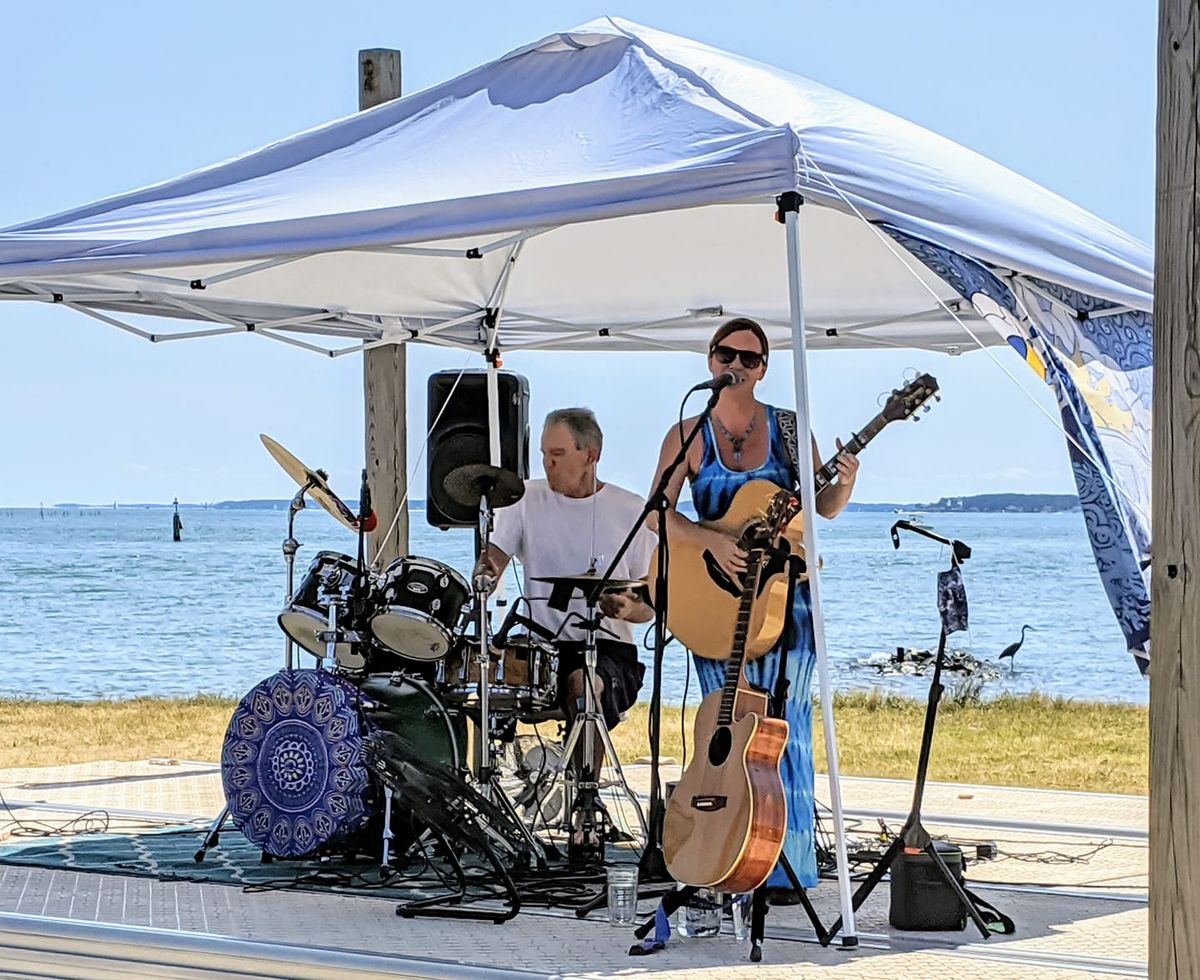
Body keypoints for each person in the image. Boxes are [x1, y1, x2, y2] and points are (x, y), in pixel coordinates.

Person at [648, 317, 859, 905]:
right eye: (724, 353)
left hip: (784, 601)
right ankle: (723, 853)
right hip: (713, 601)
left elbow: (822, 511)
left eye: (747, 356)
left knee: (783, 729)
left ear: (763, 368)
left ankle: (786, 865)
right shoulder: (687, 433)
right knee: (726, 725)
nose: (734, 363)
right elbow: (657, 513)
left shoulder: (790, 430)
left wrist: (843, 484)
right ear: (710, 361)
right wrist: (712, 542)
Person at [474, 408, 655, 786]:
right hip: (540, 647)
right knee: (470, 680)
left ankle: (585, 797)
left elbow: (650, 604)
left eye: (557, 454)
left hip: (608, 649)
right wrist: (484, 573)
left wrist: (623, 605)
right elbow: (495, 557)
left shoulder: (630, 510)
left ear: (590, 455)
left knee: (584, 684)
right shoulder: (524, 499)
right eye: (544, 454)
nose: (548, 463)